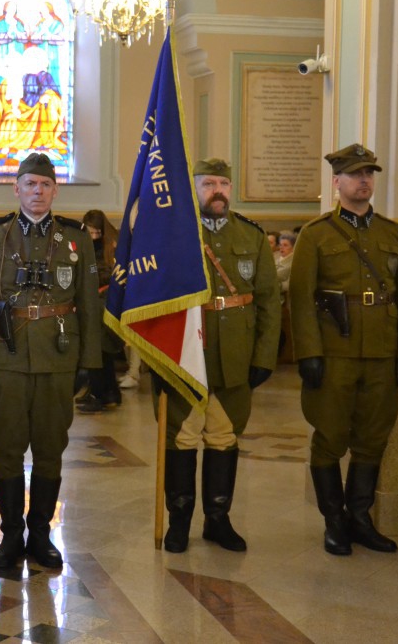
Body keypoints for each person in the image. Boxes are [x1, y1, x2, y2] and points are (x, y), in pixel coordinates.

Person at [0, 152, 101, 570]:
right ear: (16, 188)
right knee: (7, 447)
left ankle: (40, 534)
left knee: (50, 447)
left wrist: (88, 359)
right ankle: (10, 535)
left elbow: (88, 305)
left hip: (59, 356)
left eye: (44, 185)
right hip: (7, 355)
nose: (37, 191)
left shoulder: (76, 239)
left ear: (54, 190)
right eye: (30, 184)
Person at [289, 143, 398, 556]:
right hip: (334, 353)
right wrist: (308, 352)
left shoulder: (392, 233)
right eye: (356, 174)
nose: (364, 180)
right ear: (337, 182)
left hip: (381, 351)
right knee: (329, 436)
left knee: (373, 437)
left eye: (369, 174)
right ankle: (334, 522)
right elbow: (301, 298)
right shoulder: (316, 235)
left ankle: (361, 519)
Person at [156, 158, 280, 553]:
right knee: (183, 436)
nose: (218, 190)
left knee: (224, 435)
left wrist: (263, 356)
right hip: (187, 353)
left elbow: (268, 302)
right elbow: (153, 302)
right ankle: (179, 522)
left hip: (235, 355)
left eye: (224, 183)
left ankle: (218, 519)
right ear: (193, 188)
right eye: (208, 183)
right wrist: (157, 360)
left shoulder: (252, 235)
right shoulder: (173, 235)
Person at [77, 209, 122, 413]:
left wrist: (88, 276)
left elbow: (106, 273)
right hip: (95, 302)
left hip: (103, 303)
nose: (94, 236)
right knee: (100, 352)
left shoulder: (111, 245)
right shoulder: (84, 243)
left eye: (97, 233)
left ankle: (99, 394)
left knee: (98, 351)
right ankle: (109, 394)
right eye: (90, 232)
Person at [276, 232, 296, 296]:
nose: (281, 247)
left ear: (293, 247)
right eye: (280, 245)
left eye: (285, 245)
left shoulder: (294, 263)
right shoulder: (276, 257)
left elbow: (289, 284)